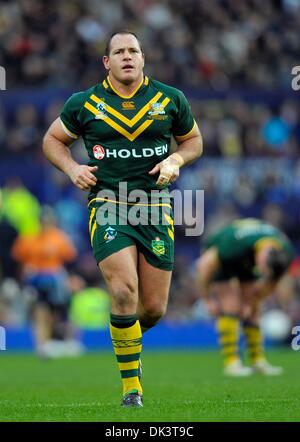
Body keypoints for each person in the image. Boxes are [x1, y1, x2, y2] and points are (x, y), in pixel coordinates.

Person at [43, 31, 203, 407]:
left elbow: (194, 141)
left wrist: (175, 159)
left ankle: (126, 339)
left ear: (143, 58)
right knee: (123, 291)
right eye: (119, 52)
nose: (127, 57)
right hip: (109, 204)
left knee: (152, 309)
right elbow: (53, 140)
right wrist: (71, 169)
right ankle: (132, 388)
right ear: (107, 62)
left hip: (156, 209)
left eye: (133, 51)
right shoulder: (84, 103)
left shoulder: (169, 99)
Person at [196, 218, 294, 376]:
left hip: (246, 256)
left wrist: (252, 301)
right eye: (262, 270)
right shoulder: (231, 247)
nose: (262, 275)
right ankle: (232, 362)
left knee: (254, 309)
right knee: (231, 304)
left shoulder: (286, 252)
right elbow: (203, 266)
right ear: (262, 257)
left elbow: (272, 282)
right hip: (224, 256)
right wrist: (207, 299)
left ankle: (258, 361)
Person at [12, 207, 79, 358]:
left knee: (61, 311)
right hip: (35, 280)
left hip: (56, 280)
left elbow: (70, 261)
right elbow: (19, 262)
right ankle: (42, 344)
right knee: (40, 311)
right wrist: (22, 279)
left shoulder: (60, 238)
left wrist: (71, 279)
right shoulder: (29, 239)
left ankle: (65, 341)